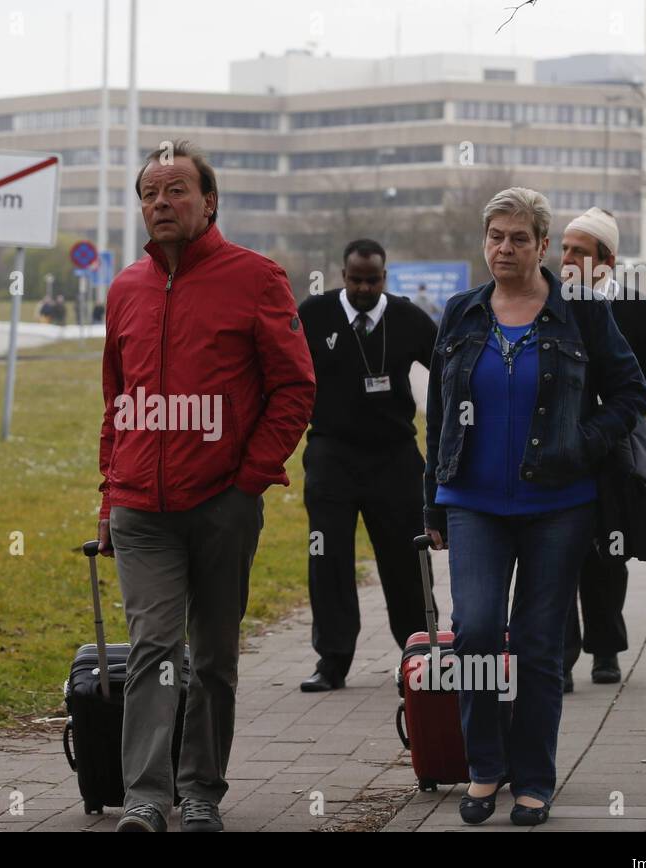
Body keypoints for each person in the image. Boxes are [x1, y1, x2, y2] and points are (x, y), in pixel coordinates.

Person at [95, 139, 315, 832]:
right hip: (141, 509)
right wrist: (109, 496)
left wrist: (248, 479)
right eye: (150, 195)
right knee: (154, 649)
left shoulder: (257, 278)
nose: (161, 203)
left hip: (222, 503)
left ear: (209, 201)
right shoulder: (126, 287)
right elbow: (117, 399)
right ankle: (145, 798)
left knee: (214, 654)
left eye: (176, 191)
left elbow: (294, 387)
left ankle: (200, 793)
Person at [423, 188, 646, 826]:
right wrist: (431, 504)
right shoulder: (460, 313)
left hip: (559, 503)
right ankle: (485, 766)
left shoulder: (579, 313)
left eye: (519, 238)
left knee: (537, 642)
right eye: (495, 235)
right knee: (474, 631)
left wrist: (583, 442)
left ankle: (534, 779)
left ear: (543, 246)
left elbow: (633, 391)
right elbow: (441, 413)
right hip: (472, 501)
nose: (504, 247)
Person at [559, 207, 646, 690]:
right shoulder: (549, 302)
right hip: (560, 446)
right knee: (559, 551)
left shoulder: (633, 308)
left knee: (608, 550)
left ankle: (606, 650)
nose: (568, 258)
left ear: (607, 260)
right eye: (565, 248)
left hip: (614, 447)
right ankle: (561, 657)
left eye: (580, 251)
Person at [295, 239, 438, 692]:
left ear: (385, 277)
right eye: (355, 279)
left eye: (372, 279)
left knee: (405, 561)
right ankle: (332, 660)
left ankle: (418, 655)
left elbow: (449, 369)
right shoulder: (313, 316)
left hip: (394, 459)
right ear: (343, 275)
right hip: (331, 457)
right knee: (328, 559)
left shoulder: (408, 318)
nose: (363, 287)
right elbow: (284, 373)